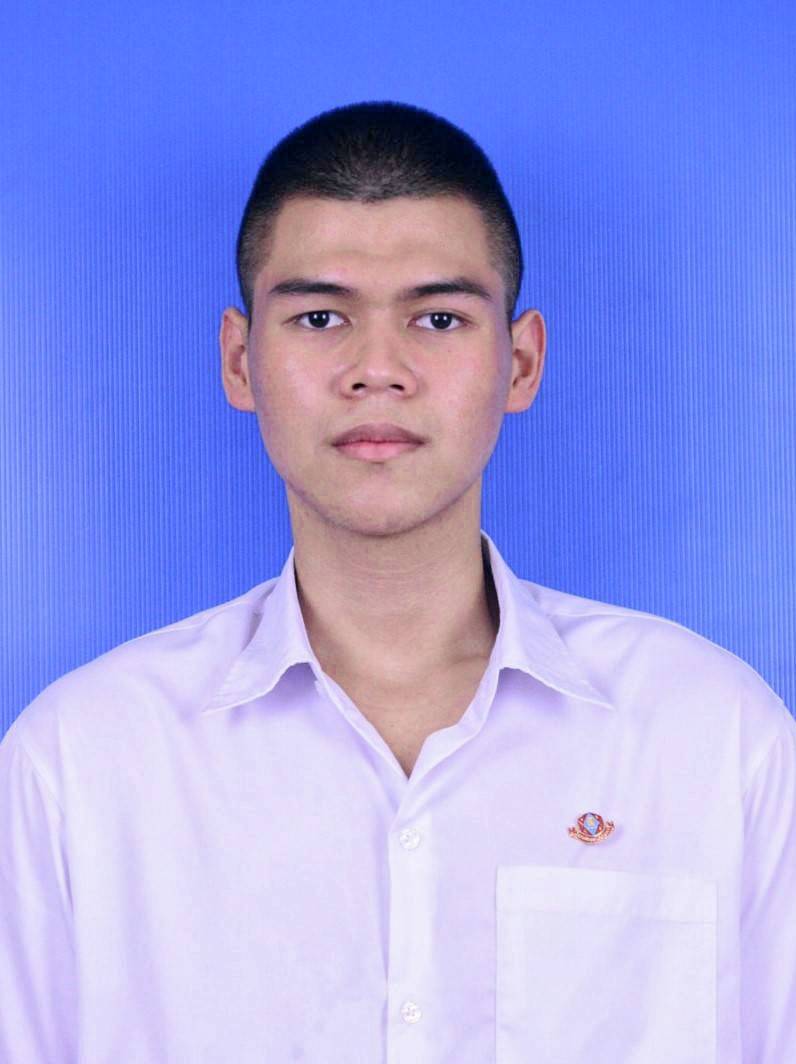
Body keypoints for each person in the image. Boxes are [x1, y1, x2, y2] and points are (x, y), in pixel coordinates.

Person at [1, 101, 793, 1064]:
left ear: (521, 362)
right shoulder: (81, 765)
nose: (377, 370)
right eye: (320, 317)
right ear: (241, 361)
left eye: (438, 318)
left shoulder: (713, 739)